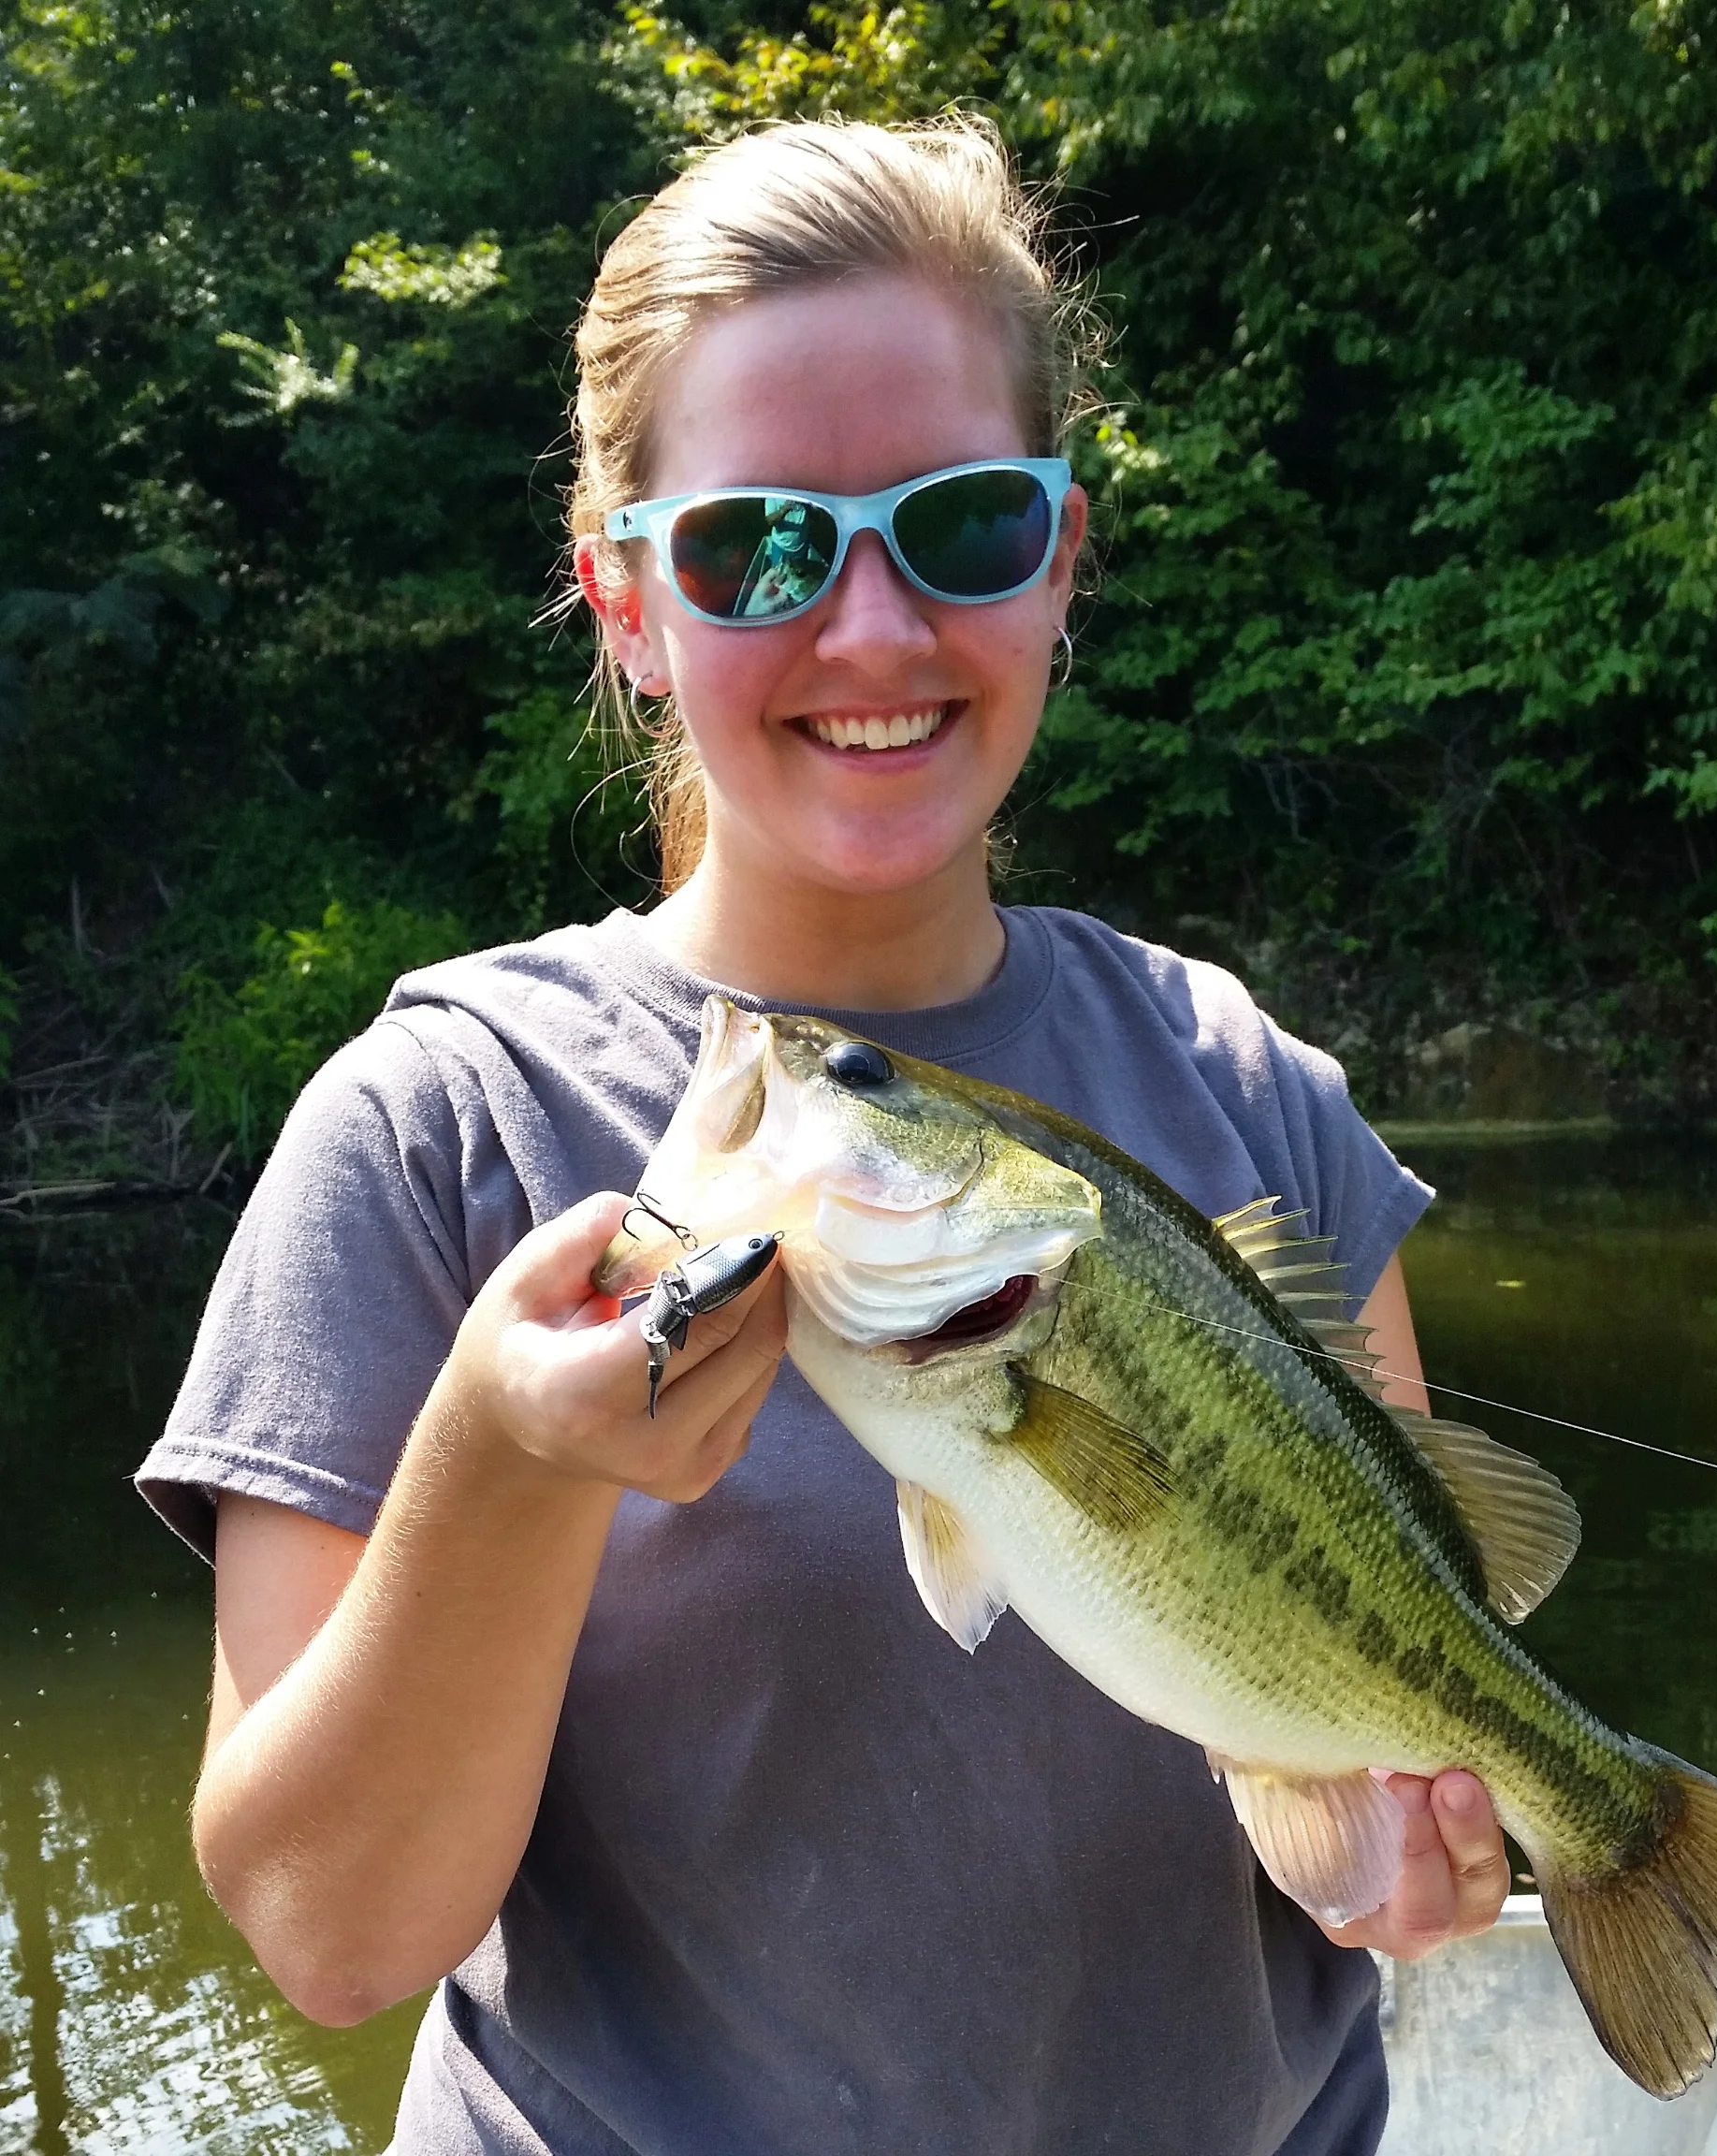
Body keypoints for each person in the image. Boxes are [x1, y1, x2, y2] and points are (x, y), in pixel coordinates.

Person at [137, 114, 1509, 2155]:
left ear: (1057, 561)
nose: (871, 631)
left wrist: (1402, 1849)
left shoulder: (1247, 1095)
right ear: (622, 600)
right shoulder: (435, 1133)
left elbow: (1345, 1786)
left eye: (958, 526)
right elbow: (336, 1939)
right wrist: (505, 1467)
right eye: (757, 546)